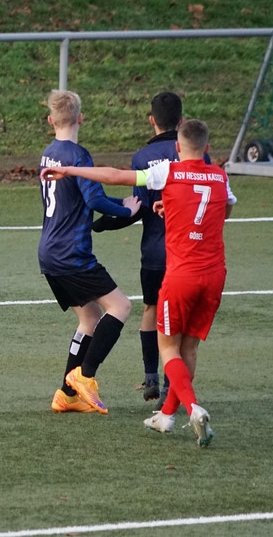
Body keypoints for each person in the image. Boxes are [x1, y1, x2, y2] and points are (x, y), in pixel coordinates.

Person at [42, 119, 236, 447]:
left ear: (177, 147)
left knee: (168, 347)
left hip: (181, 275)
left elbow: (114, 176)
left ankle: (193, 407)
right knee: (189, 348)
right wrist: (175, 208)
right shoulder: (220, 176)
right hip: (215, 275)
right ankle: (167, 414)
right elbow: (223, 209)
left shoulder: (169, 171)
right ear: (207, 147)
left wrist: (70, 171)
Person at [92, 91, 209, 404]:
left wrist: (103, 223)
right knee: (181, 324)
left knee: (151, 309)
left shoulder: (143, 157)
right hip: (189, 254)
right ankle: (174, 387)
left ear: (151, 120)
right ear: (181, 121)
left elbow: (137, 209)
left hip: (156, 253)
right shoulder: (197, 154)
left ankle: (151, 377)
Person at [39, 90, 140, 415]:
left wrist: (118, 203)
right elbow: (95, 200)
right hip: (72, 254)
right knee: (120, 306)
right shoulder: (78, 155)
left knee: (90, 318)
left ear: (50, 120)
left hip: (49, 252)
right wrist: (125, 210)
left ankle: (67, 395)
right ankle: (85, 376)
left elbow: (84, 195)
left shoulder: (48, 154)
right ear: (81, 118)